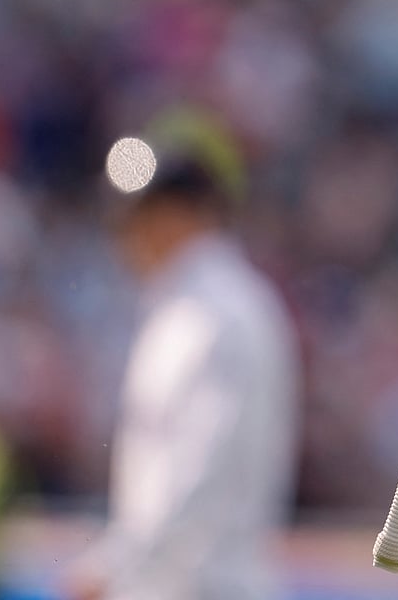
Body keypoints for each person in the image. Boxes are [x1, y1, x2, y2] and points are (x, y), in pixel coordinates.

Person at [65, 109, 300, 600]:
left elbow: (199, 468)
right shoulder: (193, 308)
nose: (123, 234)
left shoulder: (215, 315)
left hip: (204, 584)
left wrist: (115, 564)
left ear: (178, 214)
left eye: (136, 216)